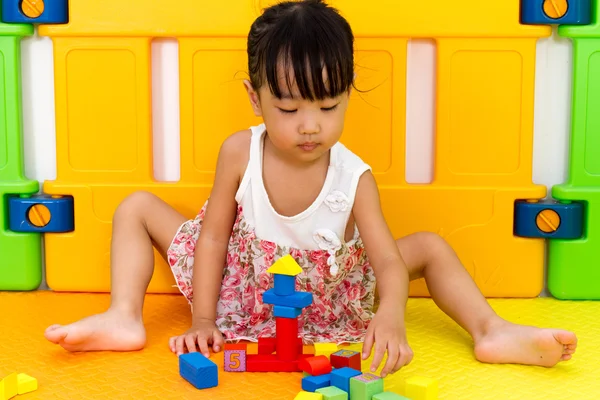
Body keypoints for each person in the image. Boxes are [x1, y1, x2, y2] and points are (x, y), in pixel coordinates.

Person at [44, 0, 577, 378]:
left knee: (430, 247)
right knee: (135, 205)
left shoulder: (354, 177)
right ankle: (123, 316)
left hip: (326, 305)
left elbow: (389, 263)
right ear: (255, 98)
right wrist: (203, 319)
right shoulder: (239, 151)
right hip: (244, 294)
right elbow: (212, 239)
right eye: (289, 107)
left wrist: (391, 315)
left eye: (328, 106)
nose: (310, 126)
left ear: (346, 93)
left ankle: (490, 328)